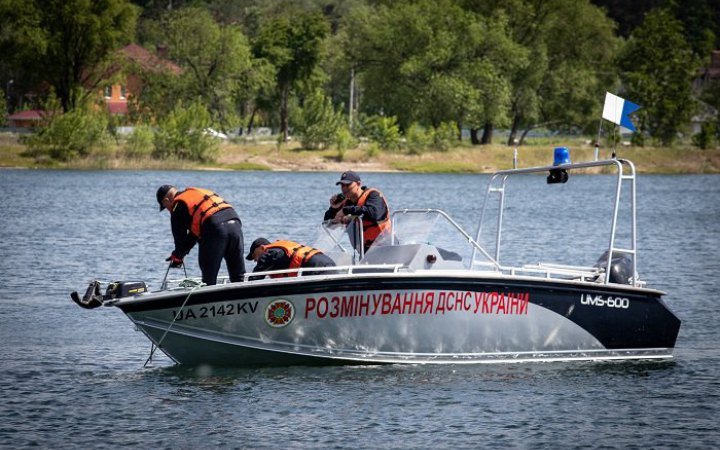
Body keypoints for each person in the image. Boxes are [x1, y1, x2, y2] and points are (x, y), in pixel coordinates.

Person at [156, 185, 245, 285]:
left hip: (214, 227)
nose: (168, 210)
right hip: (234, 223)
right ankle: (244, 297)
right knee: (238, 275)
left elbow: (180, 240)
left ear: (166, 200)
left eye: (165, 207)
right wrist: (180, 254)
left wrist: (177, 257)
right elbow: (194, 235)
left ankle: (210, 299)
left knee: (208, 279)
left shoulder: (177, 206)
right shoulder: (196, 193)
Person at [323, 170, 391, 252]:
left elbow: (375, 214)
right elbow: (328, 224)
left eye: (348, 185)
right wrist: (333, 208)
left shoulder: (373, 195)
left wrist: (346, 211)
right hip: (365, 251)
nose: (344, 189)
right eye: (342, 185)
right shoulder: (346, 203)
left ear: (358, 184)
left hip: (387, 246)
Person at [246, 238, 336, 278]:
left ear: (262, 248)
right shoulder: (280, 251)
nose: (255, 260)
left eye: (254, 255)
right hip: (329, 263)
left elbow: (254, 279)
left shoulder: (270, 254)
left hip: (317, 269)